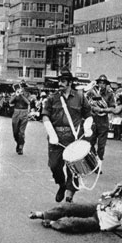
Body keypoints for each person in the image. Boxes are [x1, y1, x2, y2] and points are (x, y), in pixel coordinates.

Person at [28, 179, 122, 235]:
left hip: (101, 222)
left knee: (73, 223)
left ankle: (53, 223)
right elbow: (101, 200)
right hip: (97, 208)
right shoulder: (120, 195)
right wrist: (112, 193)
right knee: (69, 207)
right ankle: (42, 214)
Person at [41, 71, 93, 203]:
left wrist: (87, 127)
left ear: (70, 82)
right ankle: (61, 185)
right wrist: (52, 133)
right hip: (56, 137)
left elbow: (88, 114)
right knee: (54, 165)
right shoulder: (52, 98)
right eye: (59, 81)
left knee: (74, 168)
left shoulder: (80, 97)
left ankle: (69, 197)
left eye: (63, 81)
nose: (60, 84)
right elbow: (45, 115)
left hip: (74, 136)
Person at [86, 75, 116, 161]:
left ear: (106, 84)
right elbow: (87, 105)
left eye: (103, 83)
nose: (101, 85)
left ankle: (99, 162)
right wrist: (92, 108)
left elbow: (112, 108)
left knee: (101, 145)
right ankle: (94, 160)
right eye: (100, 83)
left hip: (103, 121)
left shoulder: (110, 94)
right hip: (93, 120)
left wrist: (101, 109)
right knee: (90, 142)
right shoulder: (91, 93)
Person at [9, 83, 30, 155]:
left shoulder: (27, 94)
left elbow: (28, 102)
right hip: (16, 112)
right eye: (21, 87)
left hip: (24, 112)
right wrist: (16, 95)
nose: (22, 88)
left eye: (23, 87)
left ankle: (21, 147)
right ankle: (19, 143)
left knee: (21, 132)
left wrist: (22, 95)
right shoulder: (15, 94)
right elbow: (10, 102)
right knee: (15, 132)